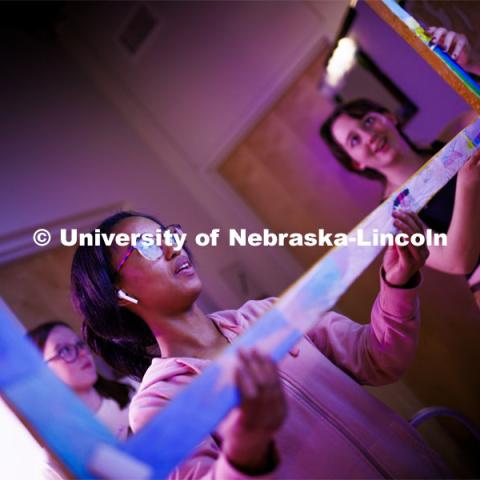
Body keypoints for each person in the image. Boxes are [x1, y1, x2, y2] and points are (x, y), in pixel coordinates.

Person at [70, 210, 450, 478]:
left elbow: (379, 358)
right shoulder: (160, 403)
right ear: (119, 296)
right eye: (148, 246)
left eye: (167, 236)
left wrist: (398, 284)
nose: (173, 248)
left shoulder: (271, 315)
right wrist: (247, 444)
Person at [320, 27, 480, 306]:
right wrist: (467, 185)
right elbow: (457, 259)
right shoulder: (392, 215)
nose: (370, 137)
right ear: (356, 162)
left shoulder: (451, 138)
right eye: (354, 140)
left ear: (389, 117)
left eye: (368, 121)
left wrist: (469, 66)